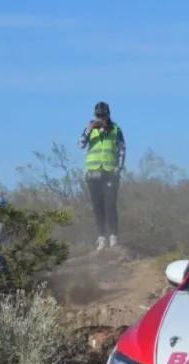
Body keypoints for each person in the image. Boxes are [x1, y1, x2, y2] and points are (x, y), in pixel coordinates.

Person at [78, 101, 126, 251]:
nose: (100, 118)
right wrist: (88, 131)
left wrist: (118, 168)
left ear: (108, 114)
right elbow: (80, 144)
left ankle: (113, 236)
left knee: (110, 204)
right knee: (97, 206)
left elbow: (122, 150)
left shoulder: (116, 130)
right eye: (98, 115)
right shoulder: (90, 129)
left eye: (103, 115)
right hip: (93, 173)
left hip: (110, 172)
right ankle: (101, 237)